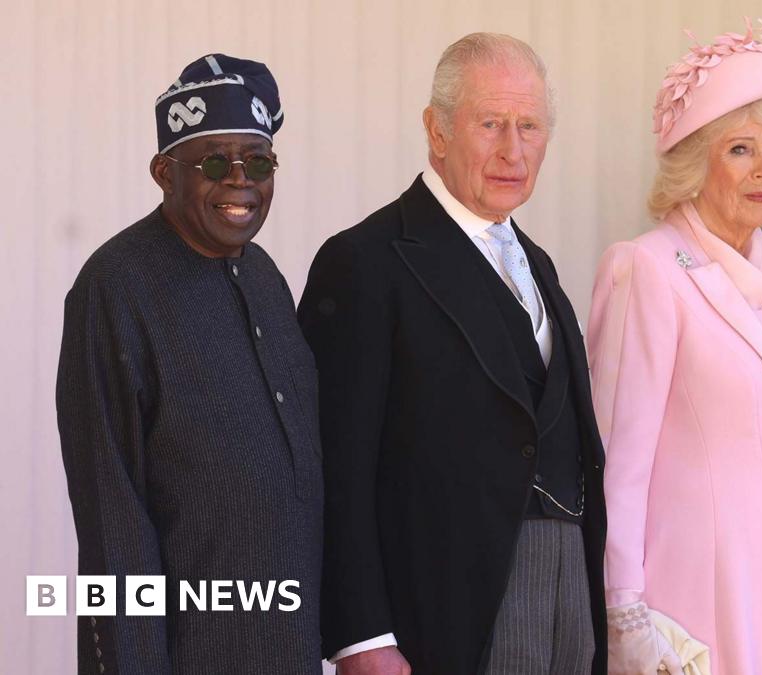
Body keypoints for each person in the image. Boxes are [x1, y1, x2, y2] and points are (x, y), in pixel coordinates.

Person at [299, 33, 606, 675]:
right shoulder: (365, 261)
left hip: (569, 592)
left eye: (530, 126)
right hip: (444, 608)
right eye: (491, 123)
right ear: (436, 131)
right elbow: (334, 464)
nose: (513, 150)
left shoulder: (539, 266)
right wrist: (360, 636)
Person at [587, 20, 762, 675]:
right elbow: (617, 463)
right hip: (706, 595)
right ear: (694, 161)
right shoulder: (647, 268)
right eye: (740, 149)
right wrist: (625, 613)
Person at [56, 54, 322, 674]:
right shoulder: (115, 287)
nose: (240, 181)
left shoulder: (264, 277)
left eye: (259, 162)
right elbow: (111, 515)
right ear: (163, 173)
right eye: (214, 164)